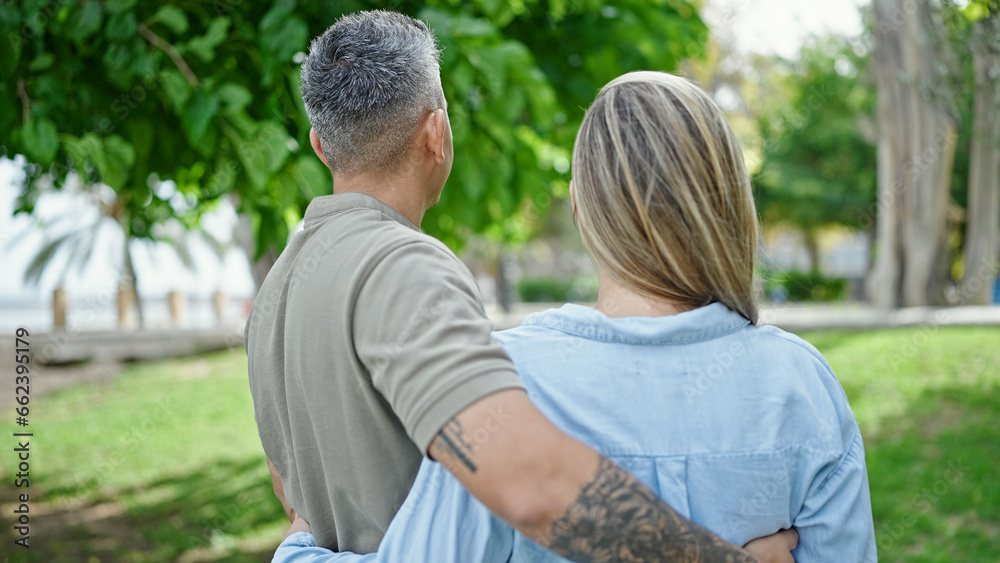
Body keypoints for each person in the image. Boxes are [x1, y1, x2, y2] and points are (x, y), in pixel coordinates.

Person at [269, 71, 878, 562]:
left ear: (583, 208)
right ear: (728, 201)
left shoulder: (509, 384)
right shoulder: (803, 385)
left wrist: (300, 543)